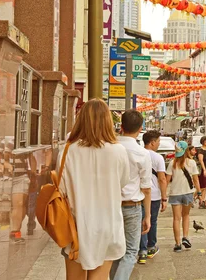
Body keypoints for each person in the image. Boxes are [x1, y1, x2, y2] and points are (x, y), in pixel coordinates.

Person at [59, 99, 130, 280]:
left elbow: (61, 190)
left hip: (76, 227)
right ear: (108, 121)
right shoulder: (118, 151)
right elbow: (123, 182)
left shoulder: (67, 150)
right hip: (108, 225)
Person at [111, 110, 152, 280]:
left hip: (111, 207)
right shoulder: (142, 153)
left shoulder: (110, 148)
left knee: (113, 251)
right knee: (130, 252)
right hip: (132, 207)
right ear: (140, 128)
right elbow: (146, 188)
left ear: (121, 126)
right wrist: (147, 215)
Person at [166, 141, 202, 252]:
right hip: (188, 192)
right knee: (186, 216)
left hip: (175, 193)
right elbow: (195, 179)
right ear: (187, 151)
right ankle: (185, 237)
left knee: (176, 219)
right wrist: (199, 193)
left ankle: (177, 244)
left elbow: (167, 180)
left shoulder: (172, 163)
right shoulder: (191, 163)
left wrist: (162, 194)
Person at [138, 130, 168, 264]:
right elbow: (162, 179)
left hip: (138, 194)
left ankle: (142, 251)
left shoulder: (138, 154)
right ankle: (151, 247)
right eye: (158, 142)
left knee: (141, 221)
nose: (159, 144)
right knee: (152, 221)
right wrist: (164, 197)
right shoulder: (158, 158)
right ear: (152, 142)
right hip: (154, 195)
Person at [197, 136, 206, 209]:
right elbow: (201, 160)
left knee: (205, 187)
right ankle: (191, 199)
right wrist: (204, 170)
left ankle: (202, 202)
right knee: (201, 187)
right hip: (202, 170)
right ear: (203, 141)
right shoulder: (200, 150)